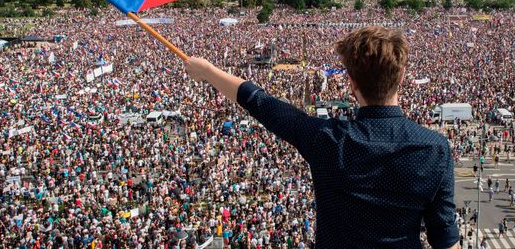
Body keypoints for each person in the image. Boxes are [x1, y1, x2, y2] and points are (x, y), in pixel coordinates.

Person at [184, 26, 460, 249]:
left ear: (351, 81)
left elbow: (261, 102)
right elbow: (445, 240)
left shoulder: (328, 140)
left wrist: (208, 71)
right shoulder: (434, 149)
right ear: (401, 76)